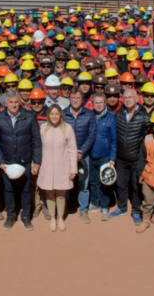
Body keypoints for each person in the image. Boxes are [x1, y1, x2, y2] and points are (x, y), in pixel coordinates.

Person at [0, 91, 42, 231]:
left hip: (25, 160)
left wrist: (36, 161)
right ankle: (10, 215)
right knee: (8, 189)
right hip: (7, 161)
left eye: (16, 102)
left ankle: (26, 216)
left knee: (26, 190)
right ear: (5, 103)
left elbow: (36, 141)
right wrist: (1, 161)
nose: (14, 105)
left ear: (20, 102)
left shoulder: (30, 116)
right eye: (11, 102)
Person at [38, 104, 77, 232]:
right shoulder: (43, 128)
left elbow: (72, 150)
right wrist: (36, 164)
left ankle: (60, 218)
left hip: (63, 166)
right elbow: (38, 148)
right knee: (49, 193)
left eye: (57, 114)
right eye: (52, 114)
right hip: (47, 166)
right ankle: (53, 218)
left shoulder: (68, 128)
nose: (54, 116)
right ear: (48, 115)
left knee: (61, 193)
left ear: (61, 115)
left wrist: (73, 169)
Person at [112, 89, 149, 223]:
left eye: (130, 97)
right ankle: (122, 207)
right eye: (125, 97)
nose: (127, 100)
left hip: (136, 158)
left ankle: (136, 211)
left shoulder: (144, 116)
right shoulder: (119, 114)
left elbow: (147, 138)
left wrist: (143, 158)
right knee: (121, 184)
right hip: (121, 158)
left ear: (136, 99)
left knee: (136, 186)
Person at [62, 89, 96, 223]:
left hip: (83, 155)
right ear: (69, 98)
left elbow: (91, 134)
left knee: (84, 183)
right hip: (66, 155)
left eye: (78, 97)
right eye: (73, 97)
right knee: (66, 182)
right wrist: (71, 152)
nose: (75, 100)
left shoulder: (89, 114)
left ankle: (83, 210)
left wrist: (80, 151)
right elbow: (61, 134)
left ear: (82, 99)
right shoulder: (63, 114)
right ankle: (64, 208)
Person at [89, 93, 117, 221]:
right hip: (91, 155)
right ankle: (95, 202)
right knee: (93, 181)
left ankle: (105, 206)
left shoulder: (111, 118)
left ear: (105, 103)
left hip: (105, 157)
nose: (98, 105)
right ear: (92, 104)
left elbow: (114, 140)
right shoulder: (89, 116)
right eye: (96, 103)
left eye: (101, 102)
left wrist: (112, 157)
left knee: (105, 183)